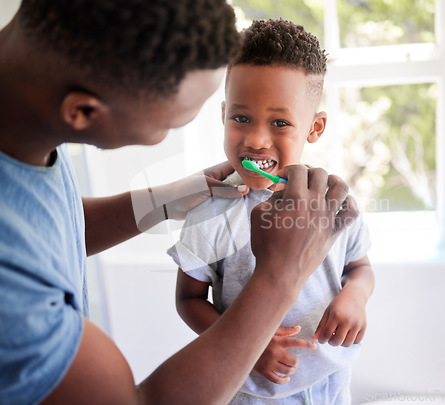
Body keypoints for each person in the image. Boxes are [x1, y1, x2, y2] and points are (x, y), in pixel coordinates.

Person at [0, 1, 359, 404]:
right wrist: (280, 277)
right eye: (172, 122)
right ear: (82, 111)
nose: (254, 140)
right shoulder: (12, 292)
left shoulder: (23, 120)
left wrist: (164, 200)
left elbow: (49, 222)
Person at [169, 19, 375, 404]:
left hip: (331, 380)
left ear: (315, 127)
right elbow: (189, 300)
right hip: (252, 390)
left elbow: (359, 269)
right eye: (241, 118)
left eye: (279, 122)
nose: (256, 140)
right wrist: (246, 346)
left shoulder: (334, 200)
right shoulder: (210, 212)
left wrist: (356, 297)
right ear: (223, 113)